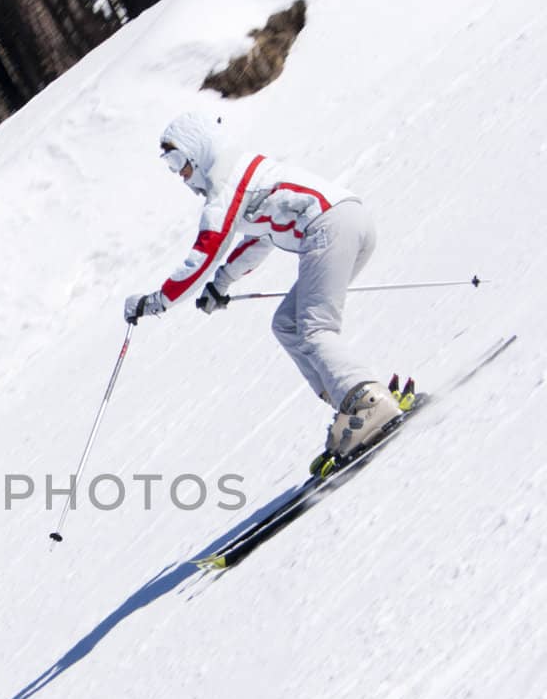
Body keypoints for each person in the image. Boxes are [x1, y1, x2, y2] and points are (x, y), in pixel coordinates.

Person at [124, 111, 407, 470]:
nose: (180, 175)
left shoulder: (226, 188)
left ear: (198, 151)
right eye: (170, 166)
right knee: (287, 324)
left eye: (179, 162)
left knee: (314, 328)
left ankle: (367, 402)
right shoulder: (244, 174)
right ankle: (351, 403)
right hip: (349, 221)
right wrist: (221, 284)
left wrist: (156, 302)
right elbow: (262, 238)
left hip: (329, 226)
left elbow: (205, 252)